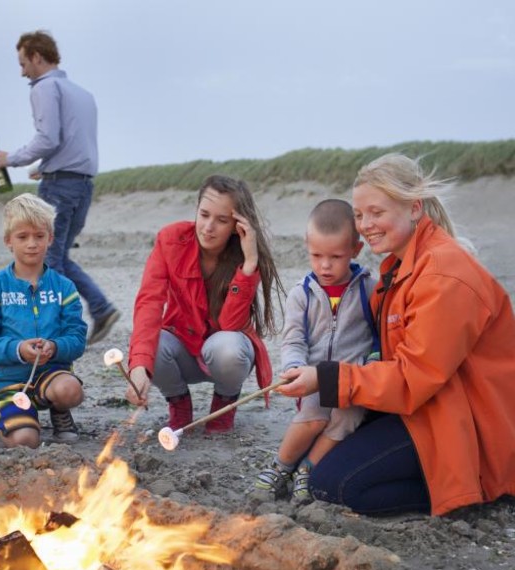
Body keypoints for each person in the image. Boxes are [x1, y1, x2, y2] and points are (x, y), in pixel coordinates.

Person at [276, 153, 515, 516]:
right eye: (359, 215)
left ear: (414, 208)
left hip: (466, 426)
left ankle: (476, 487)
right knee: (325, 455)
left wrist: (325, 378)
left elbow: (413, 377)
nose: (365, 224)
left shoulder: (442, 275)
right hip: (428, 407)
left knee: (332, 484)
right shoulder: (401, 266)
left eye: (377, 212)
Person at [0, 30, 119, 345]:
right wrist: (43, 168)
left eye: (23, 63)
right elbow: (72, 142)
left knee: (47, 260)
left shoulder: (44, 87)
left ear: (37, 56)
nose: (22, 72)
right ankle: (100, 308)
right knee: (58, 256)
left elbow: (48, 138)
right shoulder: (82, 93)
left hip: (60, 187)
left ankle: (59, 328)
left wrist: (11, 159)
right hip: (83, 184)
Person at [125, 175, 285, 433]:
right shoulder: (171, 239)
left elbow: (230, 325)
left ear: (237, 225)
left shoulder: (243, 254)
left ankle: (224, 403)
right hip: (183, 348)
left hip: (225, 354)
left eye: (221, 220)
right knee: (149, 347)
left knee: (227, 346)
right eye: (204, 214)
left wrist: (249, 265)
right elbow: (149, 302)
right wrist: (139, 367)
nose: (209, 227)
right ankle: (179, 403)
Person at [256, 200, 378, 503]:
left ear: (355, 250)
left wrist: (371, 362)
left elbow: (380, 337)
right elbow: (294, 338)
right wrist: (295, 365)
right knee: (312, 417)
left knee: (346, 419)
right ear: (307, 246)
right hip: (312, 378)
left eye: (336, 257)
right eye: (316, 255)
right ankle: (281, 466)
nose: (325, 265)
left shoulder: (369, 290)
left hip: (352, 381)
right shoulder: (302, 295)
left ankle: (307, 470)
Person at [0, 193, 87, 449]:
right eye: (23, 237)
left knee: (70, 390)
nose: (32, 244)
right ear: (8, 241)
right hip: (7, 383)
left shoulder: (64, 287)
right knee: (26, 441)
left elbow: (77, 339)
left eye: (39, 236)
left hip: (51, 375)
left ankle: (59, 409)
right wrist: (18, 349)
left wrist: (55, 347)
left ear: (51, 238)